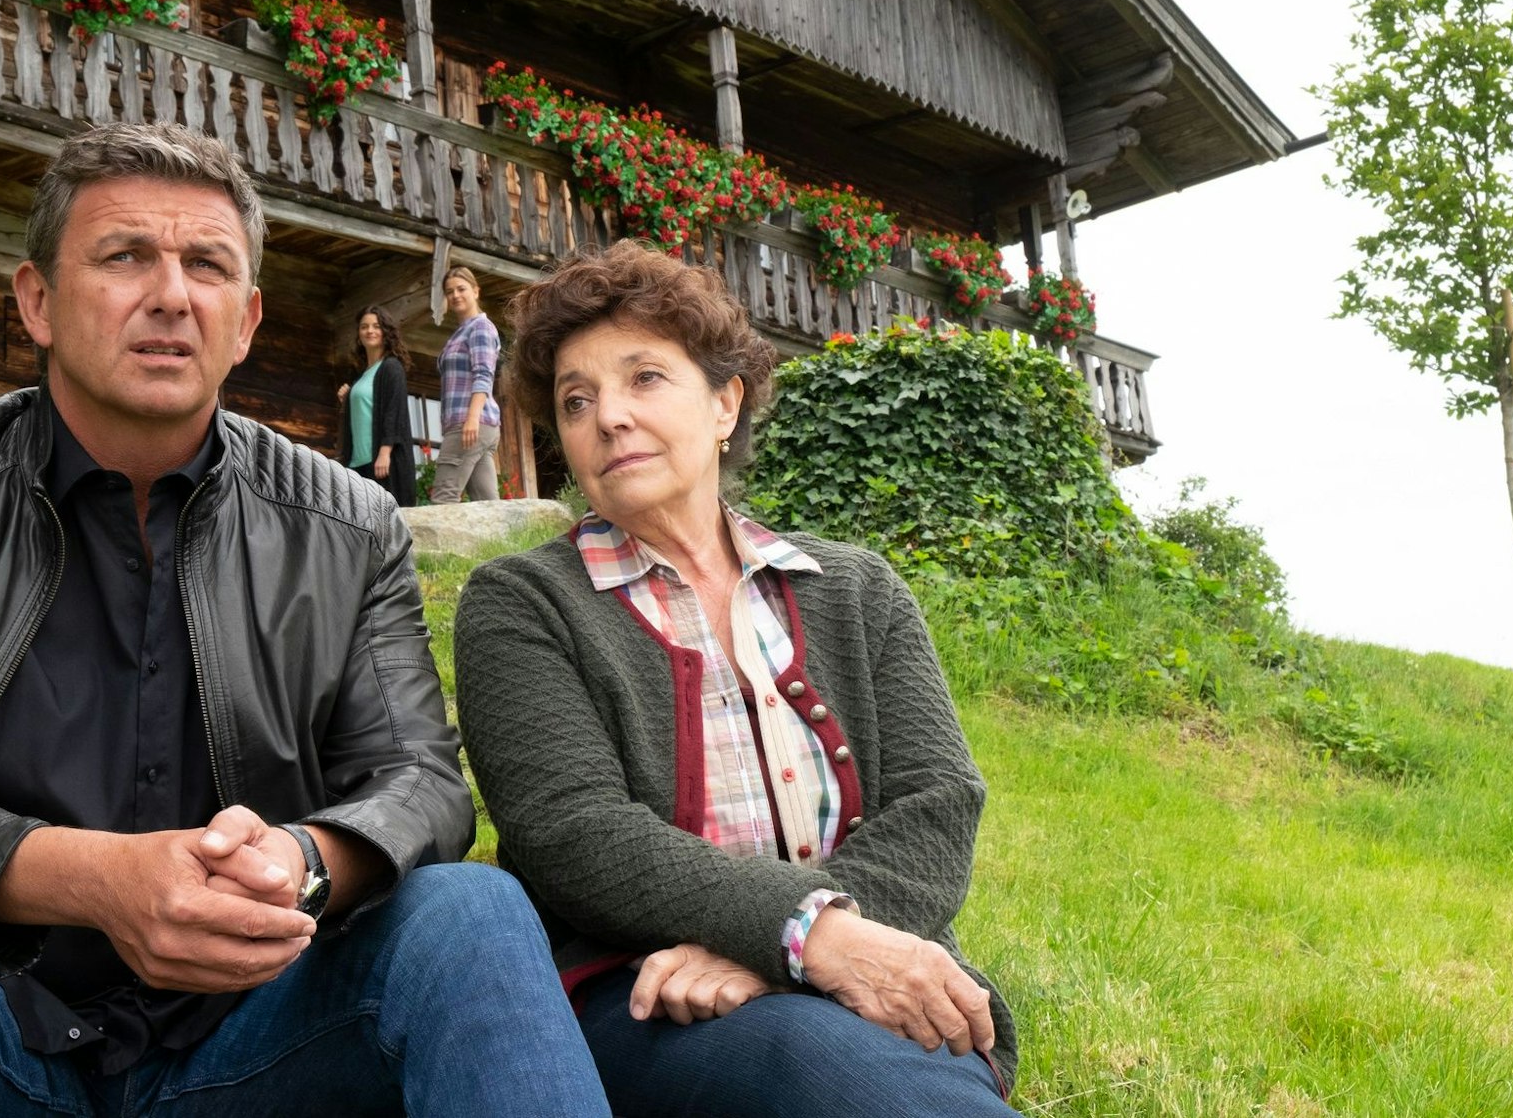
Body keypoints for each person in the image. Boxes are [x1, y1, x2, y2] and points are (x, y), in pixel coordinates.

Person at [0, 123, 611, 1118]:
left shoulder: (350, 523)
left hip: (260, 1034)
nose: (170, 294)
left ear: (244, 321)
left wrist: (301, 861)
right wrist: (88, 875)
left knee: (471, 906)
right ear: (36, 301)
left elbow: (418, 782)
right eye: (123, 257)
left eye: (206, 265)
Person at [454, 240, 1018, 1118]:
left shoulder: (859, 588)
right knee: (822, 1068)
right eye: (577, 399)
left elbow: (937, 802)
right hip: (645, 997)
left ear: (725, 402)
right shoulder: (521, 603)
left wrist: (787, 949)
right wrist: (806, 935)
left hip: (876, 964)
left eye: (644, 378)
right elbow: (574, 832)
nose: (608, 416)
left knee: (877, 1062)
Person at [430, 266, 501, 503]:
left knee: (443, 498)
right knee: (487, 504)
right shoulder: (460, 333)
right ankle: (503, 540)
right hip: (474, 424)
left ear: (476, 291)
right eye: (449, 292)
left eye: (461, 289)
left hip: (470, 422)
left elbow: (484, 373)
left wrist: (472, 418)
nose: (455, 295)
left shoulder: (480, 327)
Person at [337, 305, 417, 506]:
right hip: (357, 462)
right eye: (364, 327)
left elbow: (393, 411)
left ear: (386, 332)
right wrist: (348, 397)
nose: (370, 331)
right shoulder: (361, 375)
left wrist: (385, 452)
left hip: (381, 462)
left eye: (376, 326)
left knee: (386, 521)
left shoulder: (391, 367)